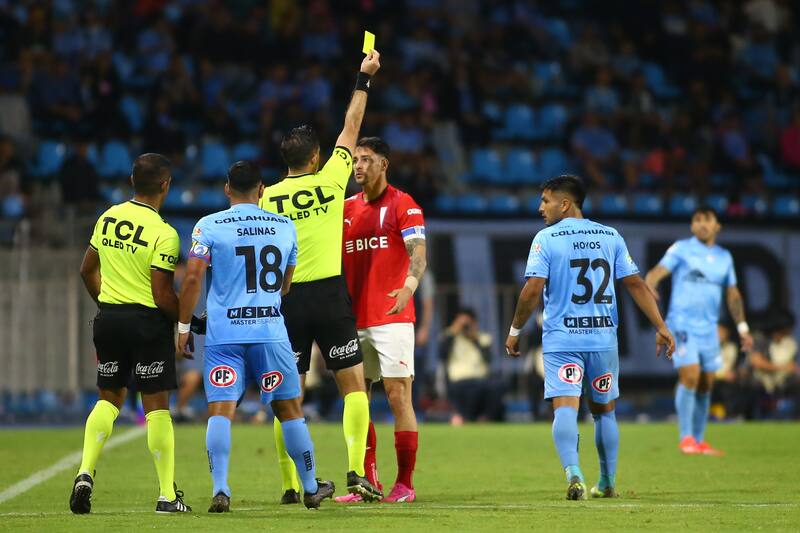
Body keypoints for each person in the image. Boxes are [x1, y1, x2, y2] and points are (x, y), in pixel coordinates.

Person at [258, 50, 382, 503]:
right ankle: (354, 470)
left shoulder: (266, 197)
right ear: (316, 156)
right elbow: (351, 127)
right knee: (352, 385)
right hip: (329, 297)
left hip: (284, 302)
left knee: (288, 399)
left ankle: (291, 485)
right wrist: (363, 78)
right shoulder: (331, 180)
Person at [505, 175, 675, 501]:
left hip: (563, 339)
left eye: (546, 200)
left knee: (565, 409)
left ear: (565, 203)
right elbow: (637, 285)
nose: (540, 207)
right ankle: (608, 480)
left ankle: (574, 474)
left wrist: (515, 330)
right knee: (604, 411)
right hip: (602, 339)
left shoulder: (546, 239)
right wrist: (660, 326)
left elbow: (533, 288)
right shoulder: (610, 236)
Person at [177, 161, 334, 511]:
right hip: (269, 333)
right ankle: (310, 487)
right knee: (290, 410)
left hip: (223, 336)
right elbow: (286, 284)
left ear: (226, 189)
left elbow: (191, 280)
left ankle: (221, 489)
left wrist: (185, 326)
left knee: (220, 410)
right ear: (262, 190)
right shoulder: (284, 226)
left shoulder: (209, 226)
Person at [70, 153, 191, 514]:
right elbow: (161, 294)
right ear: (166, 185)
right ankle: (167, 495)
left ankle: (84, 472)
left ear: (132, 182)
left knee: (108, 399)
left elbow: (86, 270)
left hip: (109, 319)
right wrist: (186, 319)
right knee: (155, 408)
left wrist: (107, 303)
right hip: (147, 324)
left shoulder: (108, 218)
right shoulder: (164, 233)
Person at [334, 137, 426, 504]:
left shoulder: (404, 204)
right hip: (351, 319)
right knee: (358, 399)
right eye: (355, 160)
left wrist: (409, 286)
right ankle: (365, 481)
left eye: (366, 160)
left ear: (384, 164)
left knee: (397, 395)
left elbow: (418, 250)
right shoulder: (344, 210)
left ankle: (405, 483)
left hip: (392, 317)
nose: (358, 166)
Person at [645, 207, 754, 455]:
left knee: (706, 383)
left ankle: (699, 439)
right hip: (682, 325)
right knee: (690, 375)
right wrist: (650, 285)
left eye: (707, 220)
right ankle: (686, 439)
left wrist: (742, 327)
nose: (702, 224)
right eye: (697, 220)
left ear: (717, 226)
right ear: (692, 226)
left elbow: (733, 294)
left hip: (709, 330)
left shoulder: (724, 257)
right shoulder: (681, 249)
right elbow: (656, 273)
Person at [439, 308, 495, 424]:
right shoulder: (449, 337)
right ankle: (464, 416)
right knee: (467, 390)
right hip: (458, 379)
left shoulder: (482, 338)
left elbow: (488, 359)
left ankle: (483, 417)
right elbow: (442, 355)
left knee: (496, 387)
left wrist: (474, 338)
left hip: (480, 379)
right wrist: (454, 331)